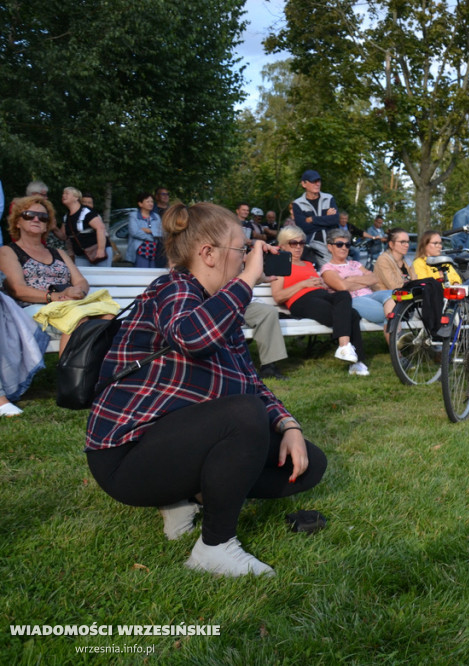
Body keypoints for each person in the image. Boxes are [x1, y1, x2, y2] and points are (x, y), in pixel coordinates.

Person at [84, 201, 326, 577]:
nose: (248, 259)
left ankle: (181, 499)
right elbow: (192, 337)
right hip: (126, 457)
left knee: (307, 462)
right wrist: (247, 280)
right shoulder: (173, 287)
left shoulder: (220, 308)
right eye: (242, 250)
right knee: (244, 414)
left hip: (174, 443)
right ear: (208, 253)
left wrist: (289, 426)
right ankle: (214, 546)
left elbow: (250, 379)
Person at [0, 196, 118, 354]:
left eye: (42, 217)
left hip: (67, 304)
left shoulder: (59, 253)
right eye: (29, 215)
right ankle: (69, 375)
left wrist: (78, 292)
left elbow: (81, 281)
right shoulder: (8, 252)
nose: (36, 219)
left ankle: (93, 371)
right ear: (17, 222)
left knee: (108, 317)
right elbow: (18, 290)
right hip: (33, 308)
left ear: (46, 226)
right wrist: (55, 296)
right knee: (78, 318)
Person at [271, 226, 369, 376]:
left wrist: (322, 284)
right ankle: (354, 359)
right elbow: (278, 296)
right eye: (293, 243)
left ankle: (347, 351)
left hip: (322, 295)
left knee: (344, 297)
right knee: (351, 315)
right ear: (283, 245)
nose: (298, 247)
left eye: (302, 243)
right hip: (301, 301)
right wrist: (303, 284)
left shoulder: (309, 264)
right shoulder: (280, 264)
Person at [320, 228, 395, 328]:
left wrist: (351, 279)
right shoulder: (327, 268)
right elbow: (343, 287)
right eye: (339, 244)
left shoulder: (355, 263)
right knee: (391, 312)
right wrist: (364, 281)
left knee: (393, 295)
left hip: (372, 295)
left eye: (347, 245)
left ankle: (397, 340)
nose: (344, 248)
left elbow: (374, 278)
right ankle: (397, 342)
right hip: (353, 300)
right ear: (330, 247)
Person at [292, 170, 339, 265]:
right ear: (304, 184)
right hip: (311, 244)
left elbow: (335, 219)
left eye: (319, 181)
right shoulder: (297, 204)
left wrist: (313, 219)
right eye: (313, 181)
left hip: (332, 242)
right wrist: (326, 218)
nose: (317, 184)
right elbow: (304, 228)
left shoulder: (329, 198)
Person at [62, 186, 111, 267]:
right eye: (63, 194)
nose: (63, 196)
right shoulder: (66, 217)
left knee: (101, 278)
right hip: (80, 254)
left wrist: (101, 250)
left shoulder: (86, 212)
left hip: (96, 251)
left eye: (67, 193)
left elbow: (100, 228)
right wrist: (54, 228)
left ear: (76, 197)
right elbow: (64, 236)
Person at [128, 192, 163, 268]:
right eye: (148, 201)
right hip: (140, 250)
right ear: (140, 204)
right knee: (141, 274)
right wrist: (153, 237)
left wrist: (150, 231)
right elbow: (135, 232)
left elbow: (161, 232)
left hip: (155, 251)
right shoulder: (134, 215)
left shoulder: (156, 216)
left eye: (152, 201)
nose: (151, 204)